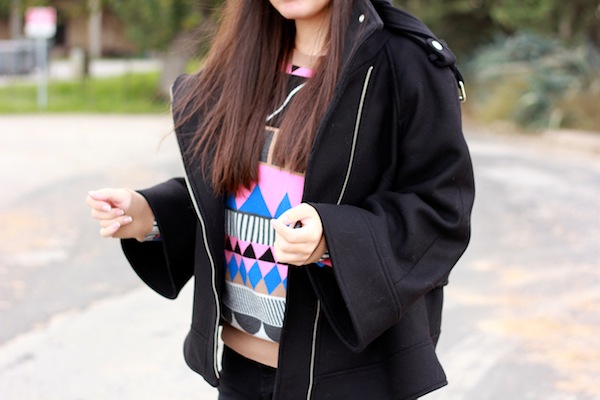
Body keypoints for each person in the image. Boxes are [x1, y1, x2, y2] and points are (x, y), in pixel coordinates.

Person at [86, 0, 475, 399]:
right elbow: (232, 192)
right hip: (239, 372)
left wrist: (332, 238)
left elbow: (442, 208)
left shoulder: (404, 60)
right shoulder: (244, 58)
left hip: (348, 379)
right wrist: (150, 216)